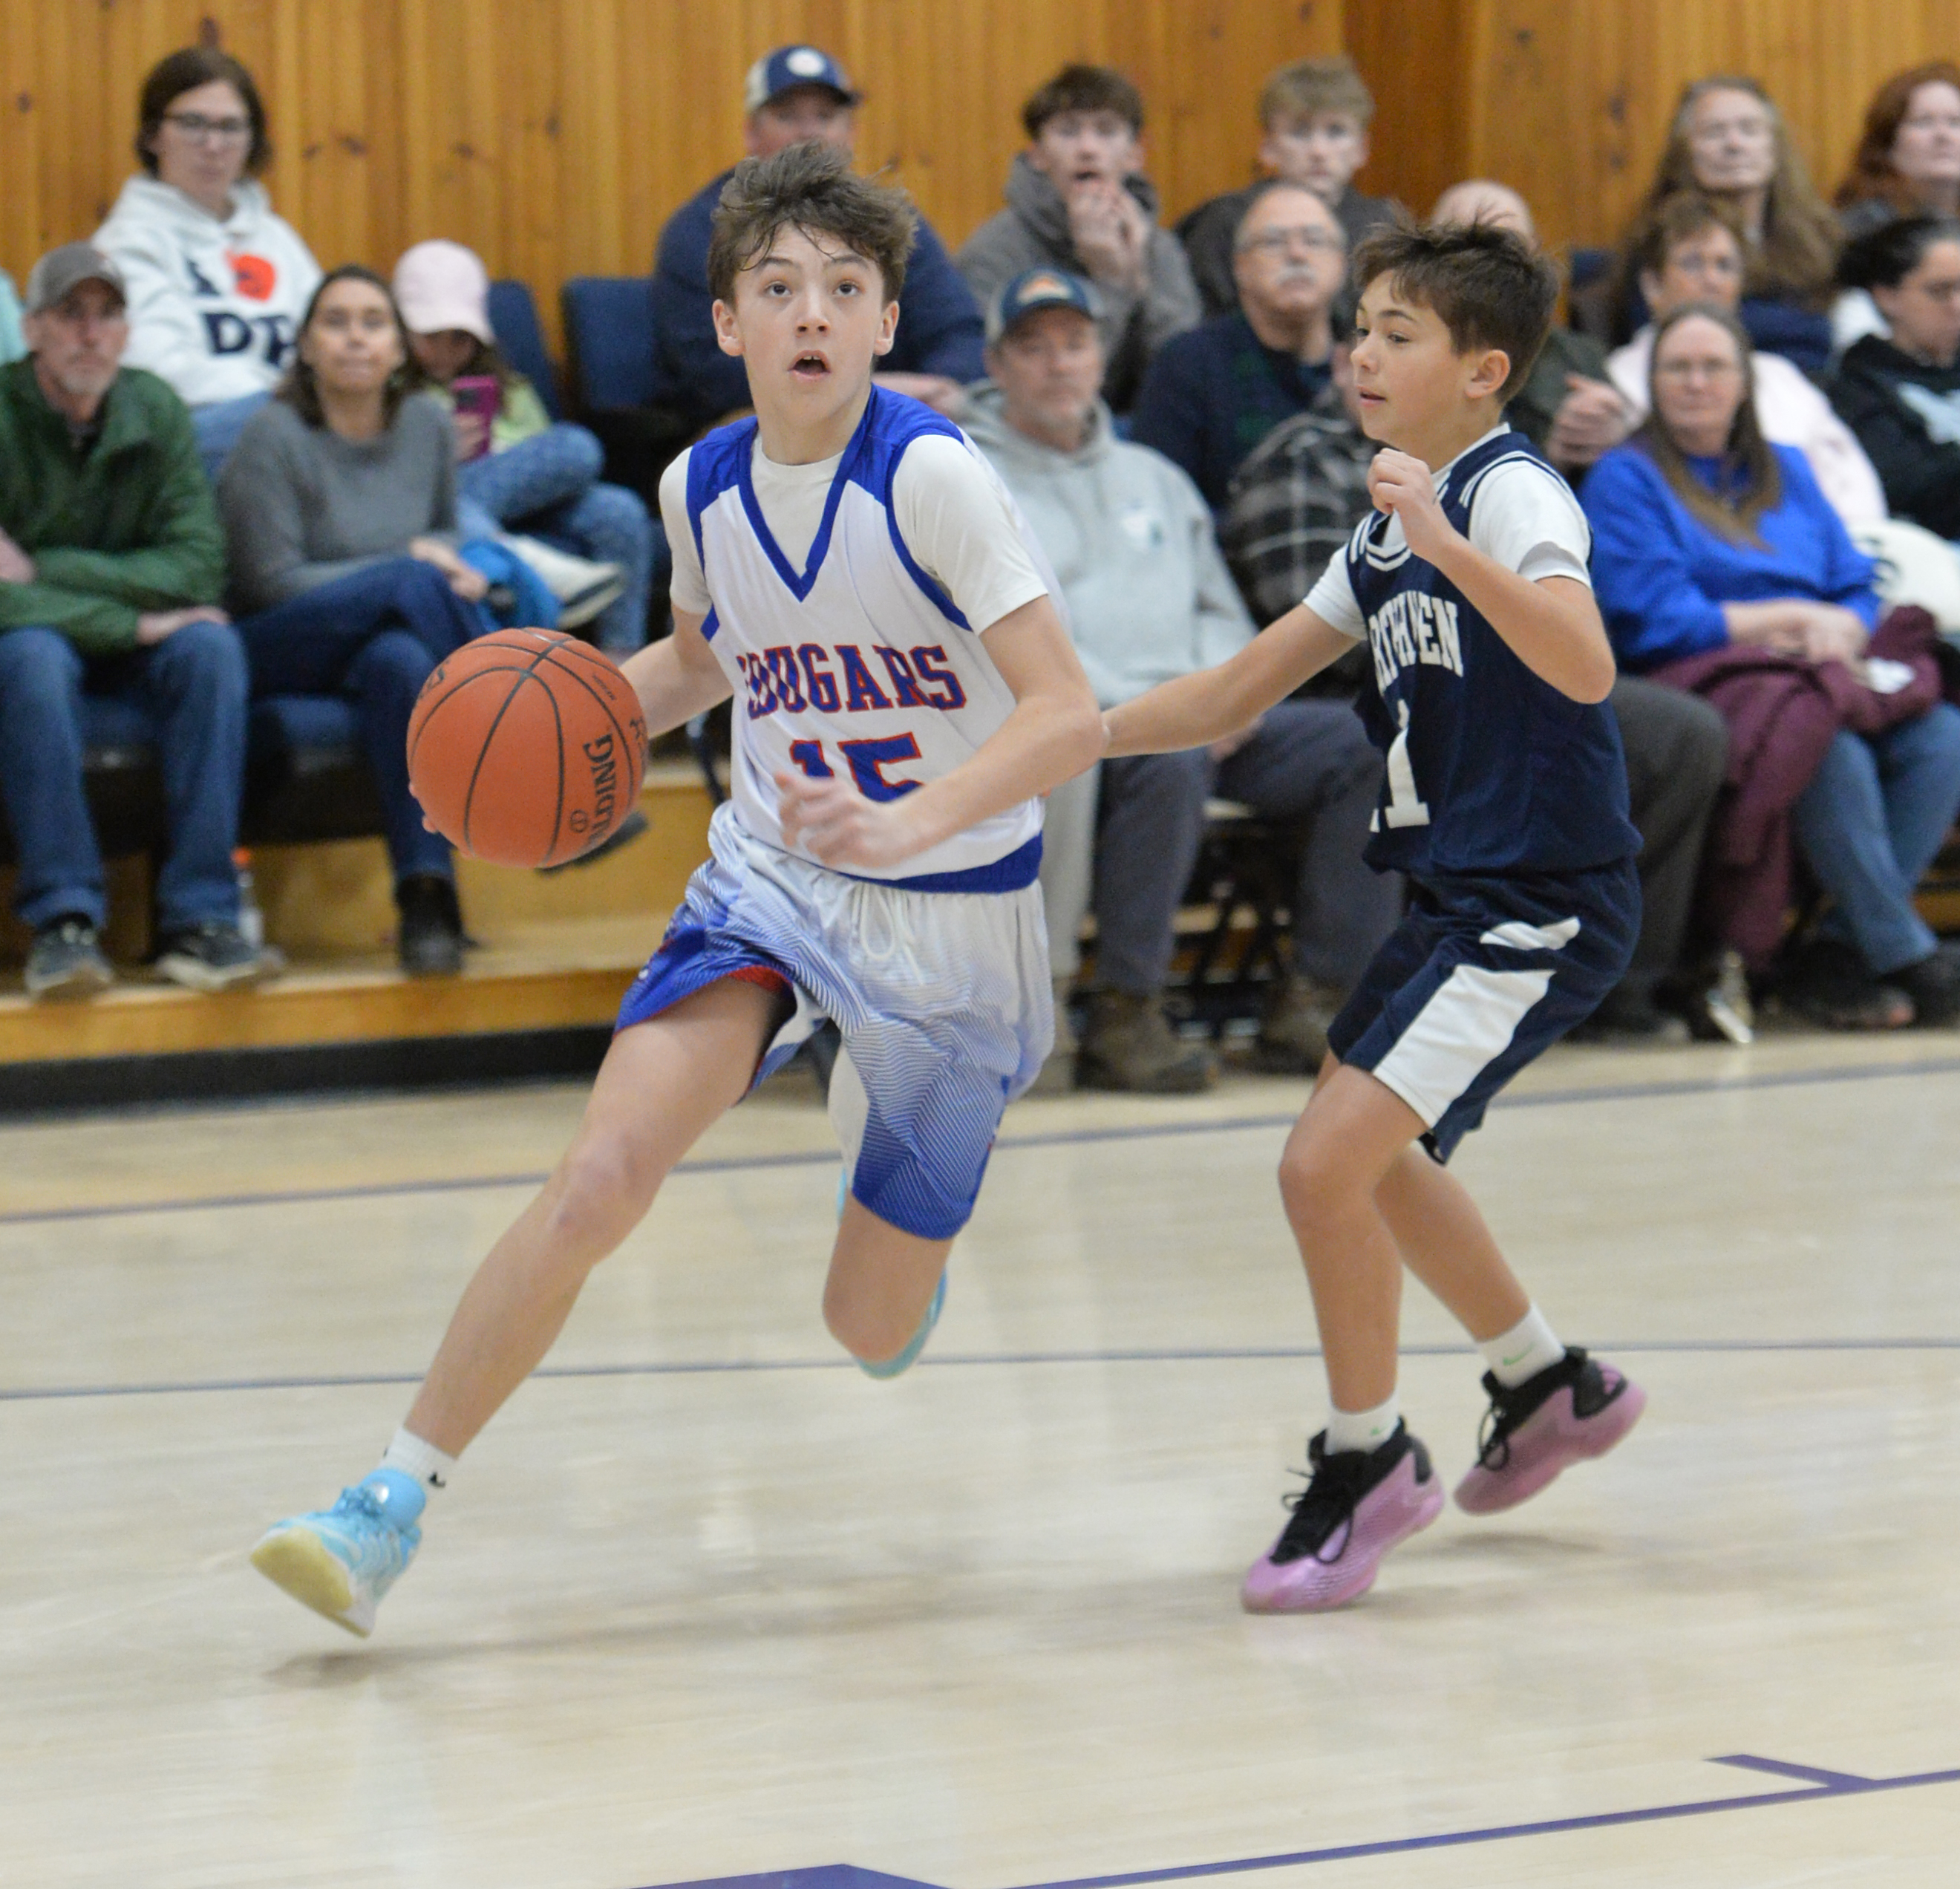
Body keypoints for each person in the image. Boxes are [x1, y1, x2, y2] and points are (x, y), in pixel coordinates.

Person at [248, 143, 1103, 1638]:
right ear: (728, 324)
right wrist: (547, 737)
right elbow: (712, 660)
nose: (812, 312)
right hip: (771, 884)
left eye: (844, 288)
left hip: (953, 922)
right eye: (778, 287)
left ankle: (902, 1238)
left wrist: (913, 818)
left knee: (868, 1325)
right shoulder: (699, 487)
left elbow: (1065, 715)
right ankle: (385, 1502)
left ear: (887, 321)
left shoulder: (936, 479)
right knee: (598, 1176)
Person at [1105, 217, 1649, 1611]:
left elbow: (1582, 663)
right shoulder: (1392, 518)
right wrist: (1064, 736)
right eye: (1358, 327)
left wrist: (1440, 533)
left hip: (1540, 901)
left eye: (1394, 332)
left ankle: (1372, 1458)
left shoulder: (1511, 495)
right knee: (1382, 1161)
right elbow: (1234, 695)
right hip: (1458, 889)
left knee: (1318, 1165)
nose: (1359, 351)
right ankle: (1546, 1382)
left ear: (1484, 370)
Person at [1221, 334, 1732, 1043]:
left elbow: (1577, 634)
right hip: (1381, 688)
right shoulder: (1305, 454)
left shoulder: (1500, 470)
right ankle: (1374, 985)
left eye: (1402, 342)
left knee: (1681, 732)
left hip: (1509, 677)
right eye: (1369, 340)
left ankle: (1619, 989)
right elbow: (1304, 627)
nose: (1378, 360)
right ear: (1341, 361)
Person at [967, 269, 1398, 1091]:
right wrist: (1154, 710)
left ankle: (1322, 996)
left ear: (1101, 356)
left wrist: (1232, 691)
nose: (1059, 365)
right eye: (1034, 348)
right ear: (998, 364)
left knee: (1368, 739)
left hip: (1211, 712)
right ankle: (1130, 1008)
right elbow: (1006, 636)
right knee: (1167, 760)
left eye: (1076, 344)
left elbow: (1220, 606)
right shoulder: (970, 481)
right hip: (1091, 726)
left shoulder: (1155, 476)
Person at [1584, 304, 1960, 1029]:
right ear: (1652, 383)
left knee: (1942, 736)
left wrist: (1846, 624)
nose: (1696, 383)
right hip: (1704, 671)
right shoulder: (1623, 477)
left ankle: (1841, 952)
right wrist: (1789, 621)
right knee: (1826, 743)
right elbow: (1650, 618)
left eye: (1713, 367)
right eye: (1678, 369)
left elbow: (1853, 577)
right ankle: (1904, 950)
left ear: (1744, 381)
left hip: (1819, 667)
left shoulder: (1784, 466)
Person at [0, 244, 268, 998]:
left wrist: (44, 566)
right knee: (30, 656)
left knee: (212, 647)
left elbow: (195, 570)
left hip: (110, 633)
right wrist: (130, 623)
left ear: (126, 330)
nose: (90, 332)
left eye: (107, 314)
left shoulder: (155, 408)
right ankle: (64, 923)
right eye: (70, 314)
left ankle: (200, 920)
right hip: (39, 645)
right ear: (32, 330)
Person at [219, 267, 492, 979]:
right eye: (335, 322)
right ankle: (512, 736)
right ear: (306, 345)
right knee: (407, 581)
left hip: (377, 639)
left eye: (373, 322)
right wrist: (404, 567)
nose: (355, 338)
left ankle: (428, 899)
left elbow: (443, 531)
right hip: (273, 643)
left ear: (399, 348)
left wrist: (442, 563)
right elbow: (266, 582)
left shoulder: (429, 423)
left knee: (401, 663)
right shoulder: (270, 437)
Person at [646, 45, 984, 434]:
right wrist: (860, 394)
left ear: (851, 132)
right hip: (757, 425)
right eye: (787, 116)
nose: (808, 133)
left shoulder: (891, 223)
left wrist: (937, 390)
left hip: (894, 424)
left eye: (825, 116)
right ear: (751, 133)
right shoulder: (700, 233)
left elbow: (958, 331)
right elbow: (711, 374)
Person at [393, 239, 655, 653]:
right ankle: (525, 560)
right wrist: (441, 452)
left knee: (615, 504)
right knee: (462, 496)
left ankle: (622, 666)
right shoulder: (394, 395)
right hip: (438, 498)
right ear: (403, 330)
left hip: (515, 498)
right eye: (430, 336)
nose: (444, 350)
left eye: (457, 338)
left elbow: (548, 463)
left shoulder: (511, 389)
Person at [92, 46, 321, 479]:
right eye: (193, 124)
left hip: (295, 431)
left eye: (231, 127)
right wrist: (294, 402)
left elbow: (328, 334)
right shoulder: (125, 244)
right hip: (191, 443)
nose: (214, 145)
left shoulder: (276, 239)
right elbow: (161, 378)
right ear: (153, 135)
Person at [1610, 195, 1886, 529]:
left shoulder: (1781, 376)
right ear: (1652, 284)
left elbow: (1852, 484)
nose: (1712, 280)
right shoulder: (1620, 378)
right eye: (1693, 264)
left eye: (1725, 265)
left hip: (1822, 550)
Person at [958, 64, 1201, 411]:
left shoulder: (1158, 245)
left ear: (1135, 155)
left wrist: (1141, 279)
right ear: (1037, 154)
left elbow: (1184, 377)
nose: (1087, 148)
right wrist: (1111, 284)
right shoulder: (994, 250)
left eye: (1106, 131)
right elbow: (995, 388)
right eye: (1068, 132)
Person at [1129, 180, 1347, 510]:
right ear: (1240, 267)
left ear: (1342, 265)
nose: (1297, 254)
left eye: (1314, 240)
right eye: (1274, 242)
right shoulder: (1187, 366)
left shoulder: (1371, 364)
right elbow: (1163, 508)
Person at [1611, 77, 1840, 372]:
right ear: (1684, 151)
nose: (1734, 145)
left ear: (1775, 146)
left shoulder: (1818, 237)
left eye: (1749, 129)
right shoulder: (1656, 239)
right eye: (1714, 132)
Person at [1429, 180, 1635, 480]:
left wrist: (1618, 438)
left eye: (1507, 244)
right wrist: (1544, 458)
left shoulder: (1579, 356)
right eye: (1468, 244)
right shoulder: (1404, 353)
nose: (1489, 263)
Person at [1175, 55, 1396, 320]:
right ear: (1267, 147)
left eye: (1336, 132)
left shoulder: (1384, 226)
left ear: (1362, 149)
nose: (1318, 151)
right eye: (1300, 132)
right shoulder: (1226, 222)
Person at [1832, 218, 1960, 538]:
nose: (1957, 306)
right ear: (1887, 297)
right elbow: (1907, 485)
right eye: (1940, 291)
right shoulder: (1856, 386)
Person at [1835, 64, 1960, 239]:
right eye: (1923, 122)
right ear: (1888, 143)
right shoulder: (1865, 229)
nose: (1943, 135)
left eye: (1955, 122)